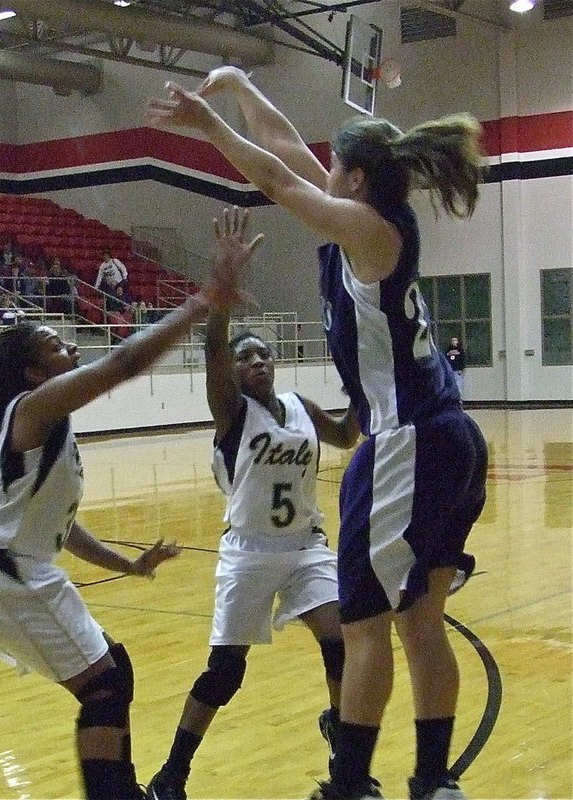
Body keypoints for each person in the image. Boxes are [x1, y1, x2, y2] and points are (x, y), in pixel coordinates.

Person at [146, 67, 488, 800]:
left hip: (407, 440)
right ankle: (431, 782)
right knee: (419, 621)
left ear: (355, 178)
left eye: (331, 164)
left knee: (364, 626)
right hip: (448, 436)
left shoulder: (365, 230)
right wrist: (238, 83)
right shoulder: (362, 216)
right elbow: (280, 148)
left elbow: (272, 175)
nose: (319, 169)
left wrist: (207, 124)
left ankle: (350, 786)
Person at [0, 207, 259, 800]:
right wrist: (203, 300)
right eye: (56, 346)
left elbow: (64, 530)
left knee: (113, 670)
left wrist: (127, 565)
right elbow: (123, 362)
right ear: (34, 372)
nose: (70, 349)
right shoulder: (32, 410)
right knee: (104, 686)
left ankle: (122, 791)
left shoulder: (43, 434)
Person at [146, 208, 359, 800]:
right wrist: (220, 297)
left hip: (305, 547)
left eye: (263, 354)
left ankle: (344, 748)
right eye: (246, 357)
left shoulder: (299, 406)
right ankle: (173, 773)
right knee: (226, 672)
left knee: (340, 641)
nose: (257, 361)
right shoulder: (232, 413)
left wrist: (374, 384)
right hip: (248, 554)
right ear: (233, 372)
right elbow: (215, 344)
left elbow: (345, 436)